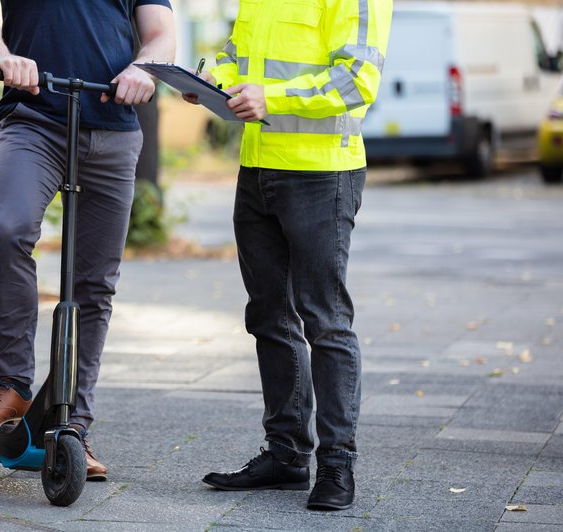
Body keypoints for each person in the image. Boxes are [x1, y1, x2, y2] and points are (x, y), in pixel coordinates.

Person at [0, 0, 175, 481]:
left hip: (114, 128)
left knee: (94, 284)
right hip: (34, 120)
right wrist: (0, 55)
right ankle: (10, 386)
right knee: (9, 230)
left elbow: (160, 34)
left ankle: (73, 423)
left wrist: (144, 68)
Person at [187, 0, 392, 510]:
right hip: (257, 169)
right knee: (268, 316)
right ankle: (285, 456)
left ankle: (337, 466)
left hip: (323, 175)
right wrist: (208, 77)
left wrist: (272, 99)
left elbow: (357, 78)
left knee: (325, 320)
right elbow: (238, 55)